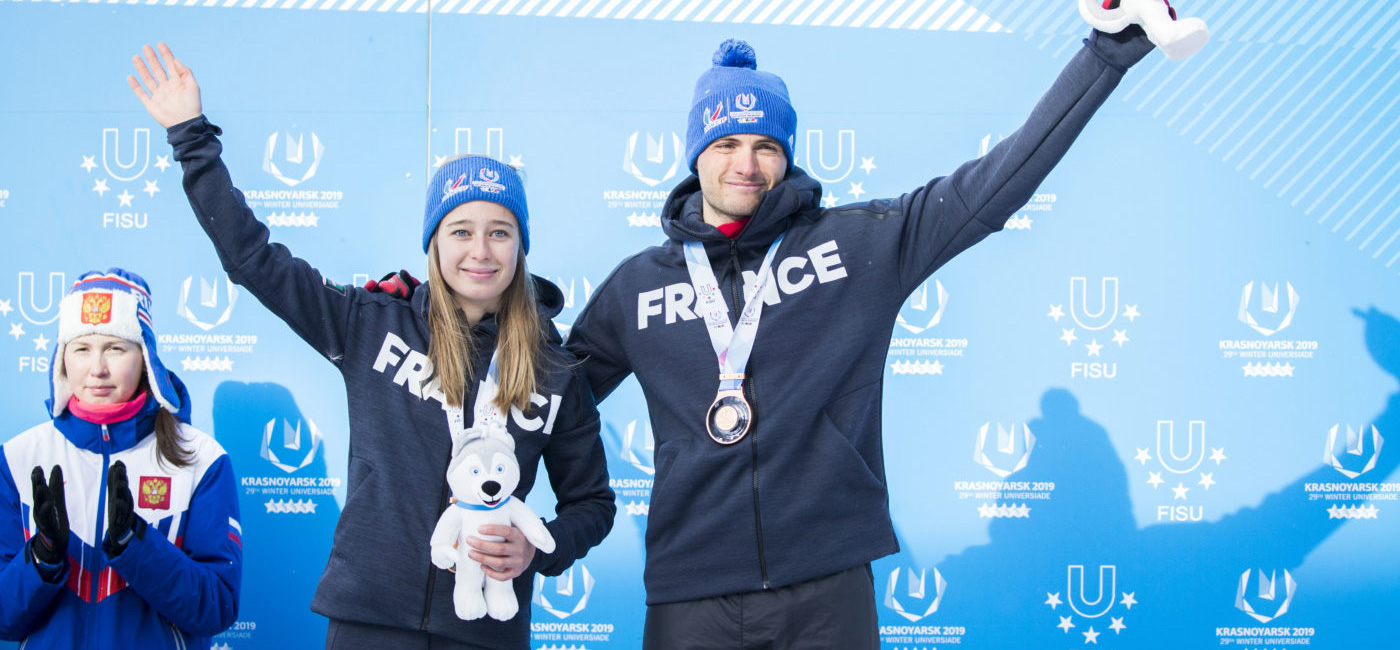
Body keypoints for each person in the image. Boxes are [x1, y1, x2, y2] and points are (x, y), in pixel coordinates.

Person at [560, 12, 1177, 650]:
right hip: (690, 593)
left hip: (828, 584)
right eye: (726, 145)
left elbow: (994, 187)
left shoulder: (857, 244)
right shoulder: (636, 287)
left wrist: (1106, 56)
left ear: (786, 154)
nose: (746, 164)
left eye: (765, 146)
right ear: (697, 154)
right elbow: (539, 399)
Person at [127, 44, 615, 649]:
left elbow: (591, 503)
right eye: (461, 231)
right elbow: (253, 259)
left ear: (521, 246)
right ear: (434, 244)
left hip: (487, 627)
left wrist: (539, 547)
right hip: (369, 622)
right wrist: (191, 138)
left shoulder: (555, 368)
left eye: (500, 232)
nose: (480, 252)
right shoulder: (370, 323)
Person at [0, 268, 243, 649]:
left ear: (145, 356)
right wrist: (43, 556)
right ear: (62, 359)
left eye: (115, 348)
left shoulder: (201, 460)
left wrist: (138, 544)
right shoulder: (18, 458)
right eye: (81, 349)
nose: (97, 368)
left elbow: (216, 608)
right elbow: (4, 621)